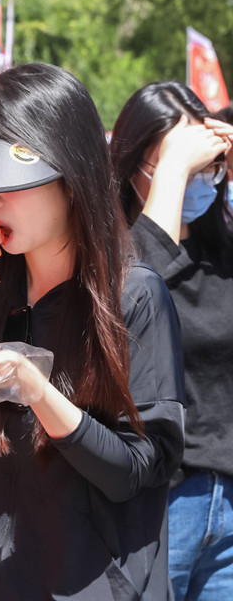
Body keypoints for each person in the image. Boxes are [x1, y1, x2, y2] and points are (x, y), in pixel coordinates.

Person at [0, 62, 186, 599]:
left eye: (7, 183)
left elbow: (138, 471)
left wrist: (39, 393)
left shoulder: (131, 297)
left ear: (71, 177)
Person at [111, 82, 233, 601]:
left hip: (226, 501)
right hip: (158, 500)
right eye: (170, 167)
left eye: (205, 169)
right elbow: (133, 290)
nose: (194, 183)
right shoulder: (116, 257)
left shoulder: (222, 251)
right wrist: (177, 172)